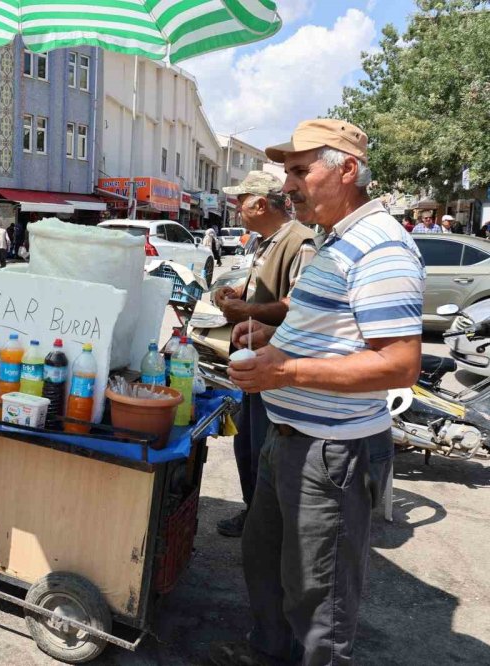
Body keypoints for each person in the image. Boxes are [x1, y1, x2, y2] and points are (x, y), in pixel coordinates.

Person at [213, 119, 423, 666]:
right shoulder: (338, 239)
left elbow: (399, 364)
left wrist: (286, 372)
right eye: (287, 173)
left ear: (347, 169)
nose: (287, 186)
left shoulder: (381, 247)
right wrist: (270, 336)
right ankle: (268, 653)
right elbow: (331, 331)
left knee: (319, 599)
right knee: (266, 563)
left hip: (331, 451)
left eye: (300, 171)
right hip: (290, 438)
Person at [212, 171, 317, 538]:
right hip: (253, 359)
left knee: (264, 448)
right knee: (247, 445)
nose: (236, 207)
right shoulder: (265, 241)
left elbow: (300, 306)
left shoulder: (300, 242)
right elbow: (261, 287)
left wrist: (248, 312)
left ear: (259, 203)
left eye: (240, 200)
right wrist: (233, 294)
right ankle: (253, 512)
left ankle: (266, 523)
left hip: (276, 365)